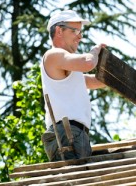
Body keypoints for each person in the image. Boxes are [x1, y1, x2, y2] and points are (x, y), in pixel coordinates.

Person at [40, 10, 106, 161]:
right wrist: (95, 51)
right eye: (75, 30)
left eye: (80, 31)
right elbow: (88, 63)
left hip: (74, 133)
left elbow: (96, 81)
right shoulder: (53, 55)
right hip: (66, 133)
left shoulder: (67, 68)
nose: (80, 36)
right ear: (59, 31)